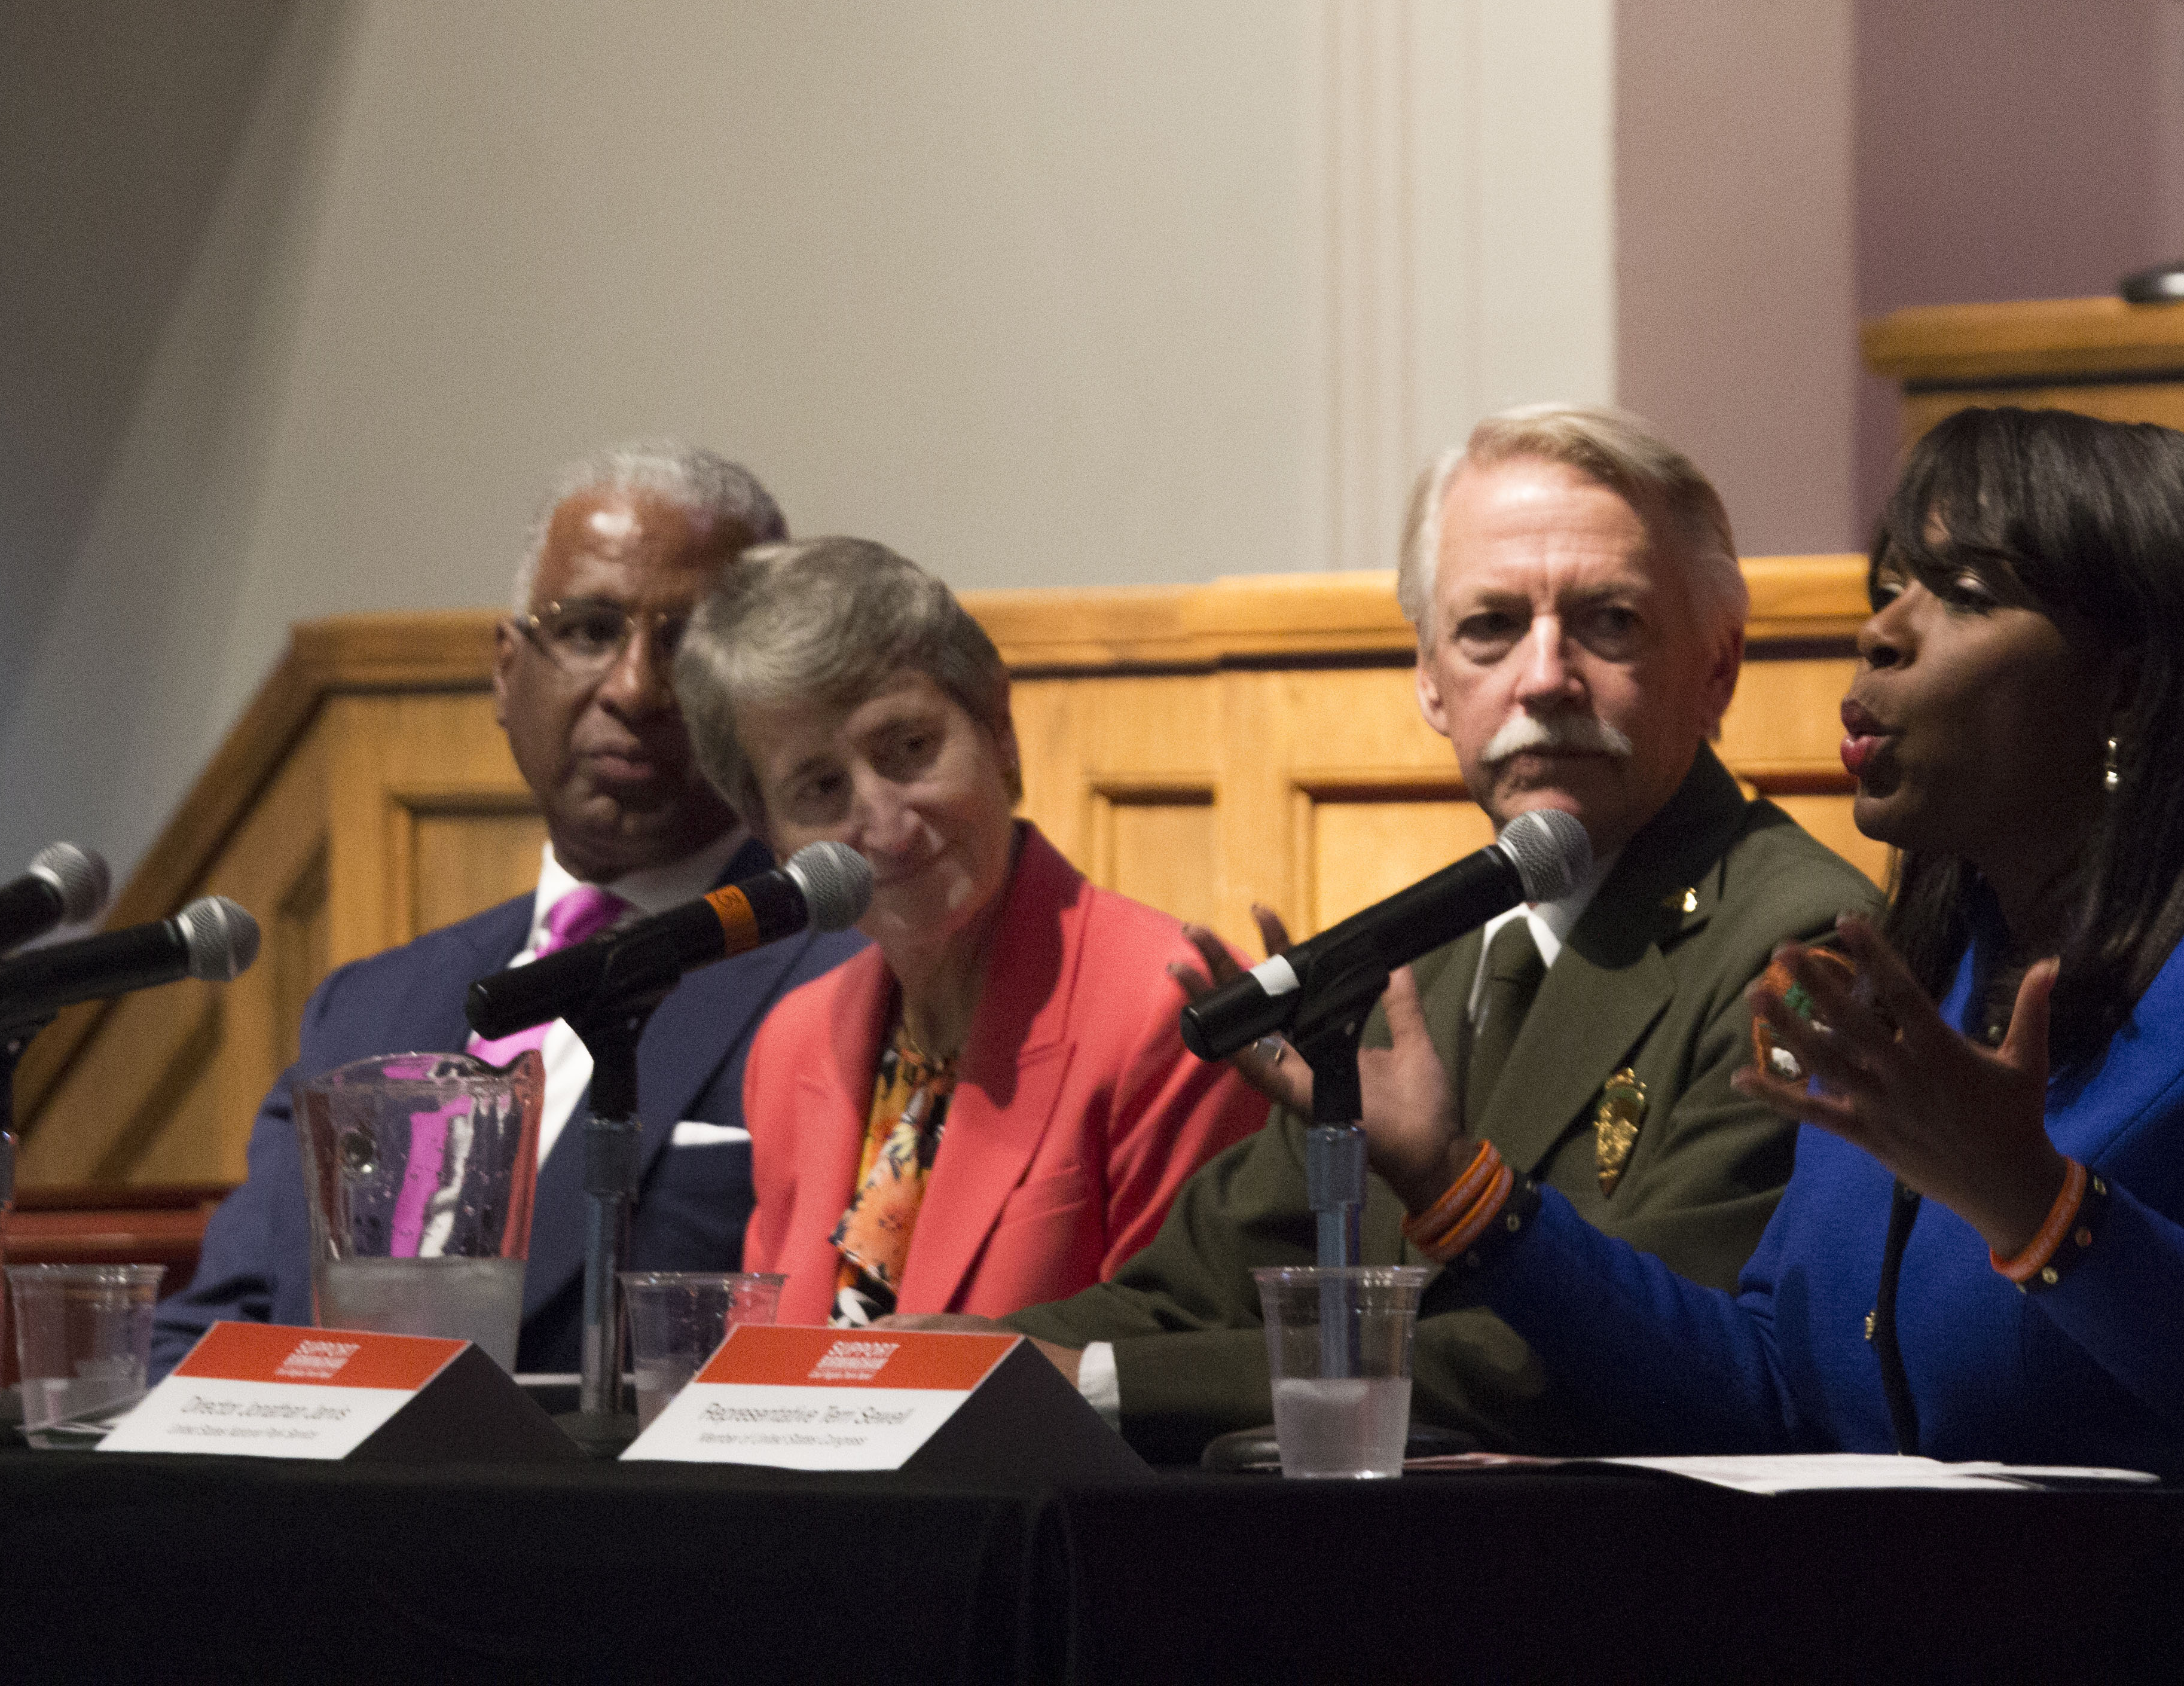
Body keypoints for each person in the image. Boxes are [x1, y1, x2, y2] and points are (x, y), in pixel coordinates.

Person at [1291, 407, 2184, 1684]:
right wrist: (1458, 1187)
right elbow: (1781, 1396)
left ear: (2127, 685)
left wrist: (2043, 1209)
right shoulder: (1944, 967)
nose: (1882, 632)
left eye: (1961, 595)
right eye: (1889, 585)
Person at [964, 404, 1881, 1462]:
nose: (1544, 677)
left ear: (1719, 667)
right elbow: (1194, 1291)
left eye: (1611, 622)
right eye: (1491, 626)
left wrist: (1102, 1383)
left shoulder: (1798, 940)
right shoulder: (1423, 955)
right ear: (1430, 682)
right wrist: (935, 1360)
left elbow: (1629, 1355)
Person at [154, 444, 865, 1376]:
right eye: (590, 630)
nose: (635, 688)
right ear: (505, 671)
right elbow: (215, 1335)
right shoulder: (363, 1009)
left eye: (687, 645)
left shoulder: (847, 989)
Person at [673, 537, 1270, 1325]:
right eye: (820, 788)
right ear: (774, 838)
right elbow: (774, 1361)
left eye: (910, 749)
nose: (887, 828)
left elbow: (1169, 1357)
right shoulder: (792, 1045)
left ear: (1000, 736)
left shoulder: (1170, 1010)